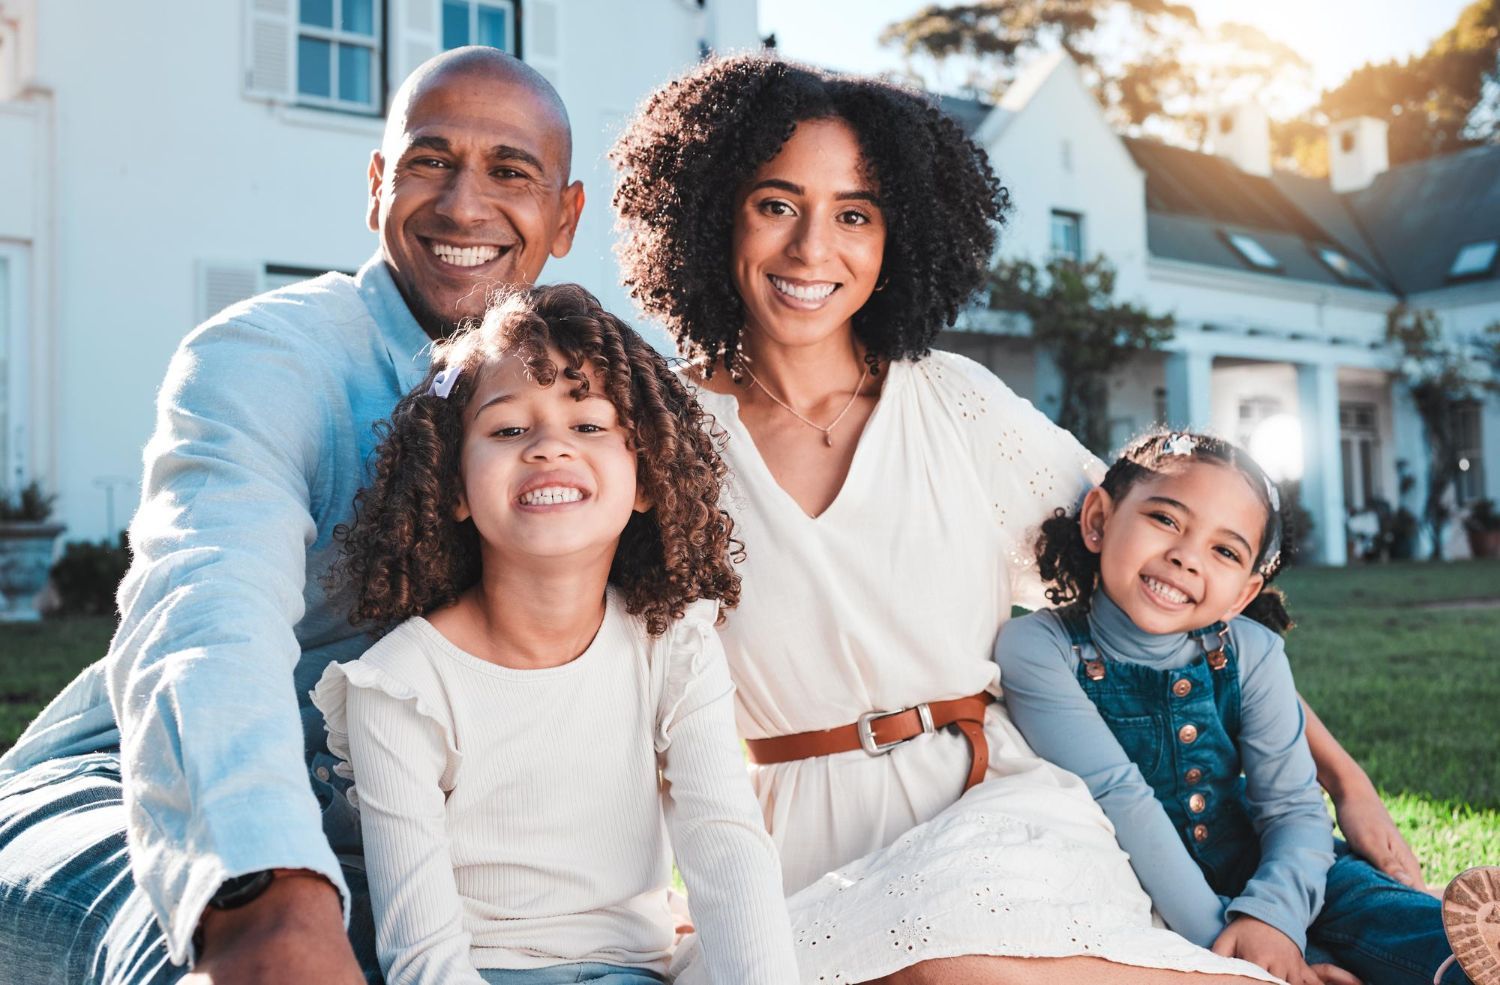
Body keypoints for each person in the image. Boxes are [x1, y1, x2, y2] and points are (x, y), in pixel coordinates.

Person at [611, 53, 1436, 985]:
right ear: (713, 208)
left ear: (899, 239)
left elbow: (1157, 579)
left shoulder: (957, 404)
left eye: (854, 214)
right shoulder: (654, 440)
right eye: (775, 203)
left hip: (1001, 806)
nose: (812, 249)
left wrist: (1346, 780)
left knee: (969, 965)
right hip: (798, 844)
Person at [0, 47, 582, 985]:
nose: (464, 205)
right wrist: (261, 896)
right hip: (137, 791)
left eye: (510, 170)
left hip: (406, 836)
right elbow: (208, 605)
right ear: (375, 186)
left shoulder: (586, 399)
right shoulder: (265, 357)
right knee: (195, 943)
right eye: (429, 161)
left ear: (567, 213)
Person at [309, 283, 797, 985]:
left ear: (646, 478)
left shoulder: (674, 645)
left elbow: (727, 851)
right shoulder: (401, 684)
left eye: (590, 425)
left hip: (642, 972)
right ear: (451, 487)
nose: (548, 448)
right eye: (508, 430)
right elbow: (423, 955)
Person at [996, 430, 1498, 985]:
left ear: (1242, 594)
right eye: (1165, 520)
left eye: (1225, 551)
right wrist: (1246, 959)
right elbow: (1120, 795)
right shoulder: (1041, 649)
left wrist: (1276, 917)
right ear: (1098, 519)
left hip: (1270, 865)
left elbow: (1292, 809)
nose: (1186, 557)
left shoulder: (1251, 652)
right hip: (1131, 885)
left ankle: (1452, 960)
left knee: (1373, 905)